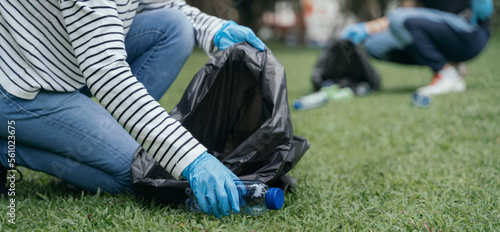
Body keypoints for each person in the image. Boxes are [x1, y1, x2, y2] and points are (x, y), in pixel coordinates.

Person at [0, 0, 265, 218]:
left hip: (57, 57)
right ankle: (8, 150)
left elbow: (164, 5)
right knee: (135, 173)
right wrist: (191, 159)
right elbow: (108, 75)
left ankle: (103, 137)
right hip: (19, 82)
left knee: (175, 28)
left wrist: (214, 27)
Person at [341, 0, 494, 95]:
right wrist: (367, 29)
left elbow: (400, 17)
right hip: (440, 30)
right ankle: (451, 64)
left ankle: (447, 74)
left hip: (470, 33)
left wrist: (369, 26)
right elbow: (404, 15)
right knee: (374, 45)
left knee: (398, 19)